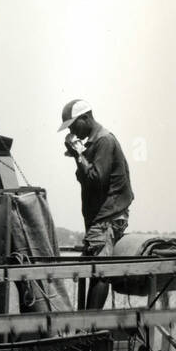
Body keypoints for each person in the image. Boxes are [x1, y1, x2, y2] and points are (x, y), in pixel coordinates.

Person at [59, 98, 134, 308]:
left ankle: (88, 331)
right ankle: (87, 328)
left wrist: (78, 153)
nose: (72, 130)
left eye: (74, 124)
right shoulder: (95, 142)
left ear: (85, 118)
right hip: (103, 216)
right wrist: (79, 155)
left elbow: (96, 179)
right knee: (97, 270)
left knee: (100, 272)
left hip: (107, 217)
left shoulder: (103, 141)